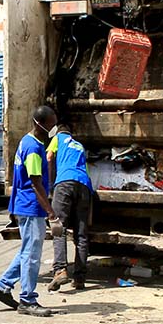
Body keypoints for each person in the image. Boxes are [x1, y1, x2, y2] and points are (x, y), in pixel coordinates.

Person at [0, 105, 59, 318]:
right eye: (51, 123)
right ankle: (28, 299)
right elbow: (35, 182)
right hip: (31, 206)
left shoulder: (27, 141)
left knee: (27, 250)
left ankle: (2, 286)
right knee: (32, 255)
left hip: (25, 204)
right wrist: (51, 212)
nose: (53, 126)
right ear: (41, 124)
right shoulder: (34, 149)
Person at [46, 121, 93, 292]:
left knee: (59, 227)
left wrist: (50, 182)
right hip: (84, 186)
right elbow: (85, 170)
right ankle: (80, 279)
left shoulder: (58, 138)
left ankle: (60, 270)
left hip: (65, 182)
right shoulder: (79, 145)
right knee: (81, 234)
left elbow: (49, 157)